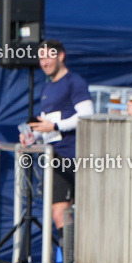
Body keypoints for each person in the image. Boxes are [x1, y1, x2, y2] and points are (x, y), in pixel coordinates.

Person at [24, 40, 93, 232]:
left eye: (48, 57)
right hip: (54, 157)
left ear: (60, 56)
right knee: (59, 214)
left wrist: (55, 125)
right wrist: (33, 135)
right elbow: (47, 125)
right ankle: (68, 259)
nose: (44, 62)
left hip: (75, 157)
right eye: (41, 58)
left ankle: (75, 260)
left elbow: (87, 115)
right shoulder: (46, 88)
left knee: (76, 214)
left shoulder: (74, 82)